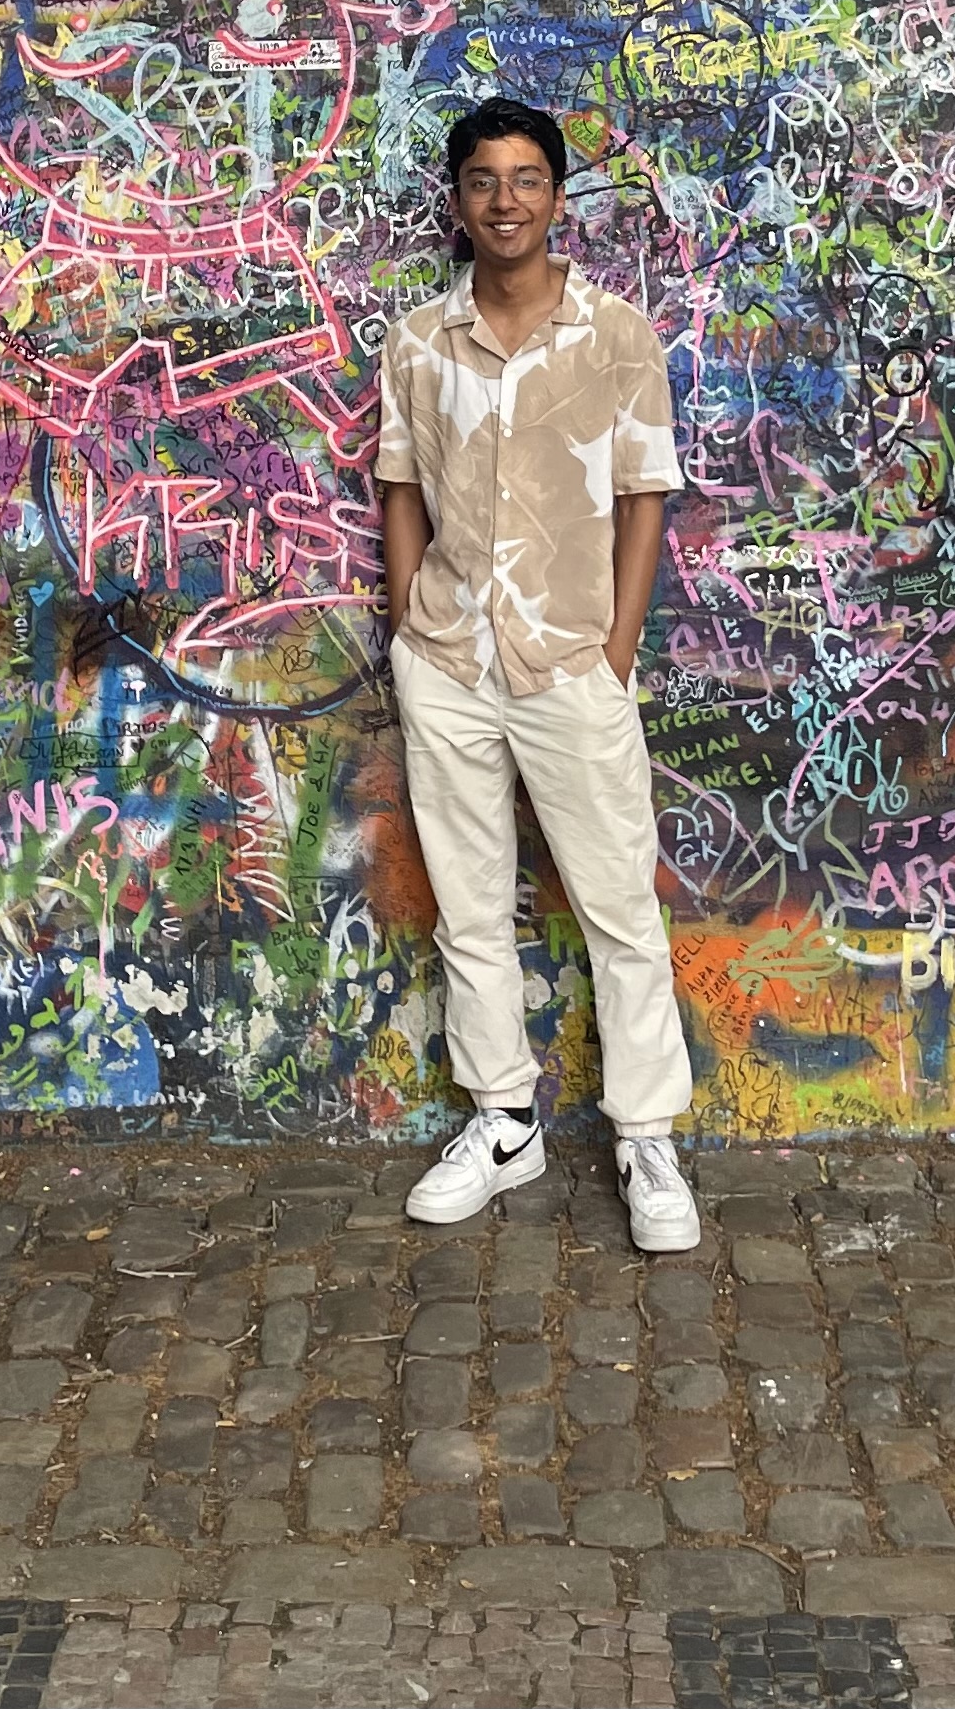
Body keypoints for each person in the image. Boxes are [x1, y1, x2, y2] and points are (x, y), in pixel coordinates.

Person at [376, 95, 700, 1252]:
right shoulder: (418, 339)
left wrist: (612, 650)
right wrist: (416, 626)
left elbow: (644, 495)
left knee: (616, 904)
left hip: (569, 662)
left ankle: (646, 1135)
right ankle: (502, 1118)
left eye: (525, 178)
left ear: (557, 197)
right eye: (481, 179)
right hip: (450, 660)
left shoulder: (617, 337)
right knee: (470, 905)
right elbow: (400, 484)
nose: (503, 199)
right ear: (456, 201)